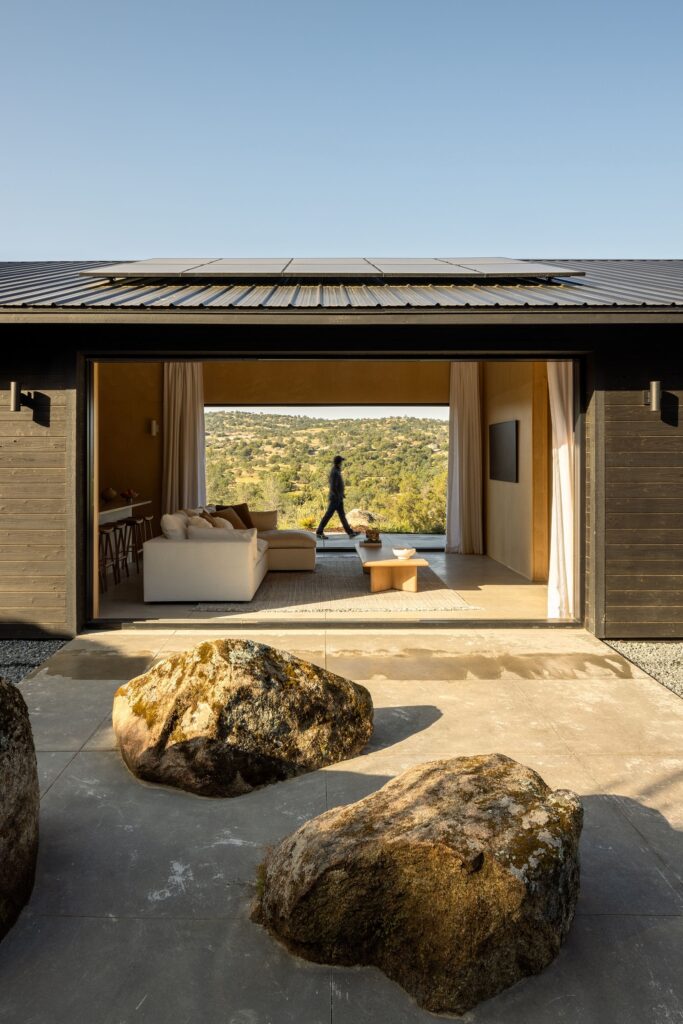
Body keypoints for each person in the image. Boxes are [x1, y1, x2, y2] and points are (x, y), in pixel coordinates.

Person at [316, 455, 360, 539]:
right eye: (341, 462)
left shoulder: (336, 471)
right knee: (328, 515)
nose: (342, 464)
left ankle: (350, 533)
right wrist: (337, 495)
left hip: (338, 498)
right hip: (335, 499)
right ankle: (319, 532)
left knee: (341, 516)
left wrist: (341, 494)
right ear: (339, 463)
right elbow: (333, 486)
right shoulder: (335, 472)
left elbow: (337, 486)